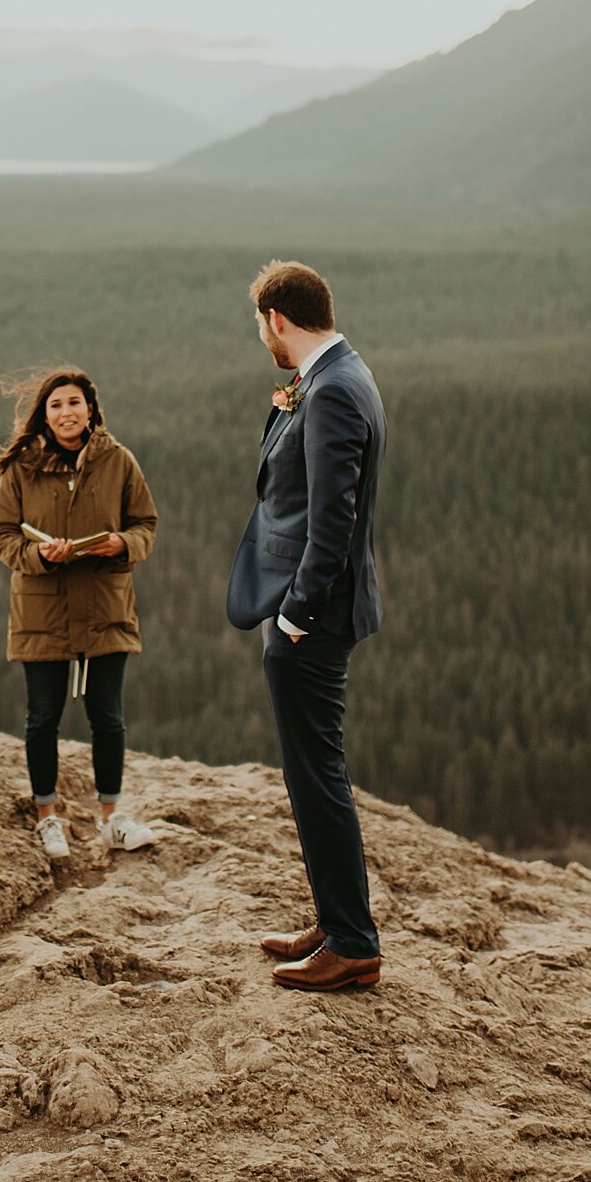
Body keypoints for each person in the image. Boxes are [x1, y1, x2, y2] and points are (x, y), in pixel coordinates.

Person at [226, 261, 386, 993]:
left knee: (316, 772)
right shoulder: (335, 375)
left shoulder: (332, 392)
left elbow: (334, 519)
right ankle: (333, 918)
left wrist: (294, 615)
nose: (262, 337)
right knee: (309, 769)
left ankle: (351, 941)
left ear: (278, 320)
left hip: (310, 619)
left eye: (261, 325)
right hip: (303, 609)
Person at [0, 367, 159, 861]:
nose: (66, 412)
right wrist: (40, 556)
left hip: (105, 604)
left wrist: (120, 543)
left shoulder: (119, 462)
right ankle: (47, 819)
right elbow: (2, 536)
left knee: (108, 716)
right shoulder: (22, 468)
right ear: (44, 414)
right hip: (42, 608)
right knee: (43, 717)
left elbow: (145, 524)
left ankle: (112, 819)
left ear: (91, 409)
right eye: (56, 405)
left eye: (74, 403)